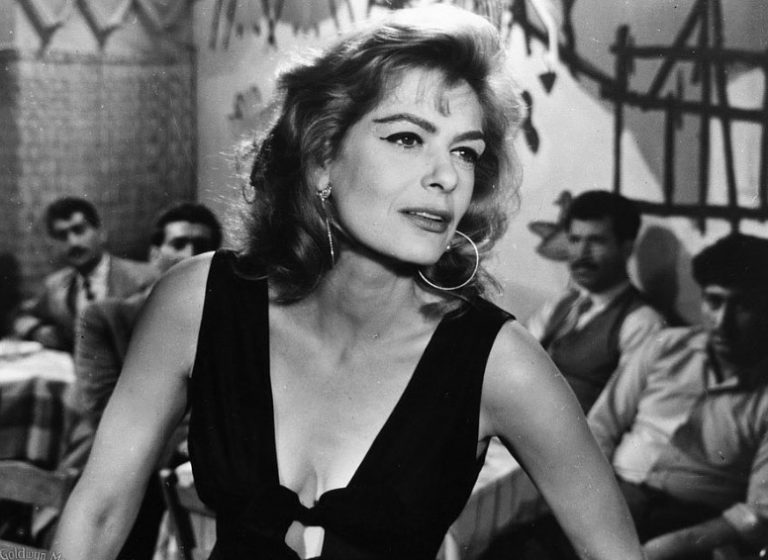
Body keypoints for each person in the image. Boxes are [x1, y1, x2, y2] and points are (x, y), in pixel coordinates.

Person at [53, 6, 644, 560]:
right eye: (407, 138)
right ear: (321, 158)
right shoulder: (196, 301)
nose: (446, 176)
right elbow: (100, 513)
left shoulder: (499, 361)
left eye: (465, 152)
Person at [587, 232, 768, 560]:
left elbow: (758, 513)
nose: (723, 322)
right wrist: (594, 507)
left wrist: (660, 550)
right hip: (613, 502)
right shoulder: (665, 346)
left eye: (742, 306)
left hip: (689, 531)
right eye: (714, 301)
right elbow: (600, 427)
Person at [60, 201, 222, 560]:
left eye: (203, 246)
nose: (190, 254)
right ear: (154, 253)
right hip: (115, 472)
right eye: (178, 244)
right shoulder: (106, 318)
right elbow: (105, 412)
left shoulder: (227, 327)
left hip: (187, 477)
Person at [527, 190, 666, 412]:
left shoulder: (641, 322)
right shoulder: (563, 303)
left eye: (596, 241)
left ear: (626, 248)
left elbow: (616, 413)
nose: (581, 254)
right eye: (575, 240)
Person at [12, 196, 157, 351]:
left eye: (79, 230)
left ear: (101, 232)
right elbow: (21, 316)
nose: (73, 242)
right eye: (62, 236)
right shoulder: (56, 286)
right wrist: (37, 331)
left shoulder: (143, 278)